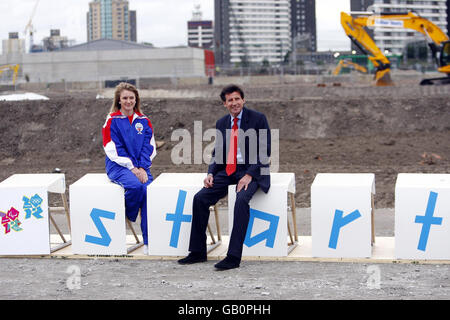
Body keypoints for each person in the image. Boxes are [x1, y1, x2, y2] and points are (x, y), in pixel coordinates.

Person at [178, 84, 271, 270]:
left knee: (241, 200)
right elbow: (217, 152)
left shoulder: (258, 119)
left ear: (243, 100)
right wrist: (211, 173)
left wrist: (249, 175)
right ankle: (197, 252)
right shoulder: (222, 123)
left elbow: (265, 151)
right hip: (228, 170)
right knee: (200, 198)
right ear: (224, 104)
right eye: (230, 100)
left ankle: (233, 257)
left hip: (253, 170)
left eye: (237, 99)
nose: (234, 103)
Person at [102, 82, 156, 255]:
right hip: (119, 166)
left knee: (149, 195)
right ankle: (129, 215)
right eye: (124, 98)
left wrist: (141, 167)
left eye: (131, 98)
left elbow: (150, 147)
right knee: (135, 186)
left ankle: (148, 242)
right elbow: (112, 147)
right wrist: (132, 168)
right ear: (118, 100)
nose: (128, 101)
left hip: (141, 167)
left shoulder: (144, 120)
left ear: (136, 100)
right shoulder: (112, 120)